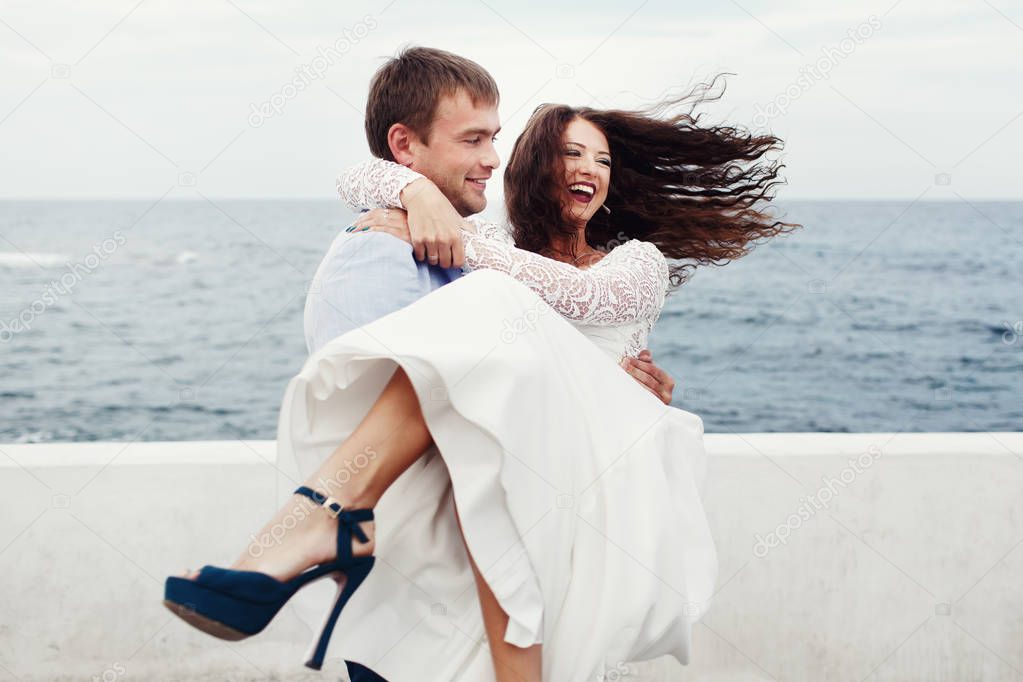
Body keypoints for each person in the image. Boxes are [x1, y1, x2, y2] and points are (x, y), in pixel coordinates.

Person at [164, 46, 798, 681]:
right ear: (533, 167)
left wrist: (450, 234)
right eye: (570, 154)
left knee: (491, 327)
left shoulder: (628, 261)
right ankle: (327, 525)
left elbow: (583, 297)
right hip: (518, 482)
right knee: (488, 418)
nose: (589, 169)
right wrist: (415, 189)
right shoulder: (477, 245)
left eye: (602, 160)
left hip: (606, 477)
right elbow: (355, 179)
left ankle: (321, 519)